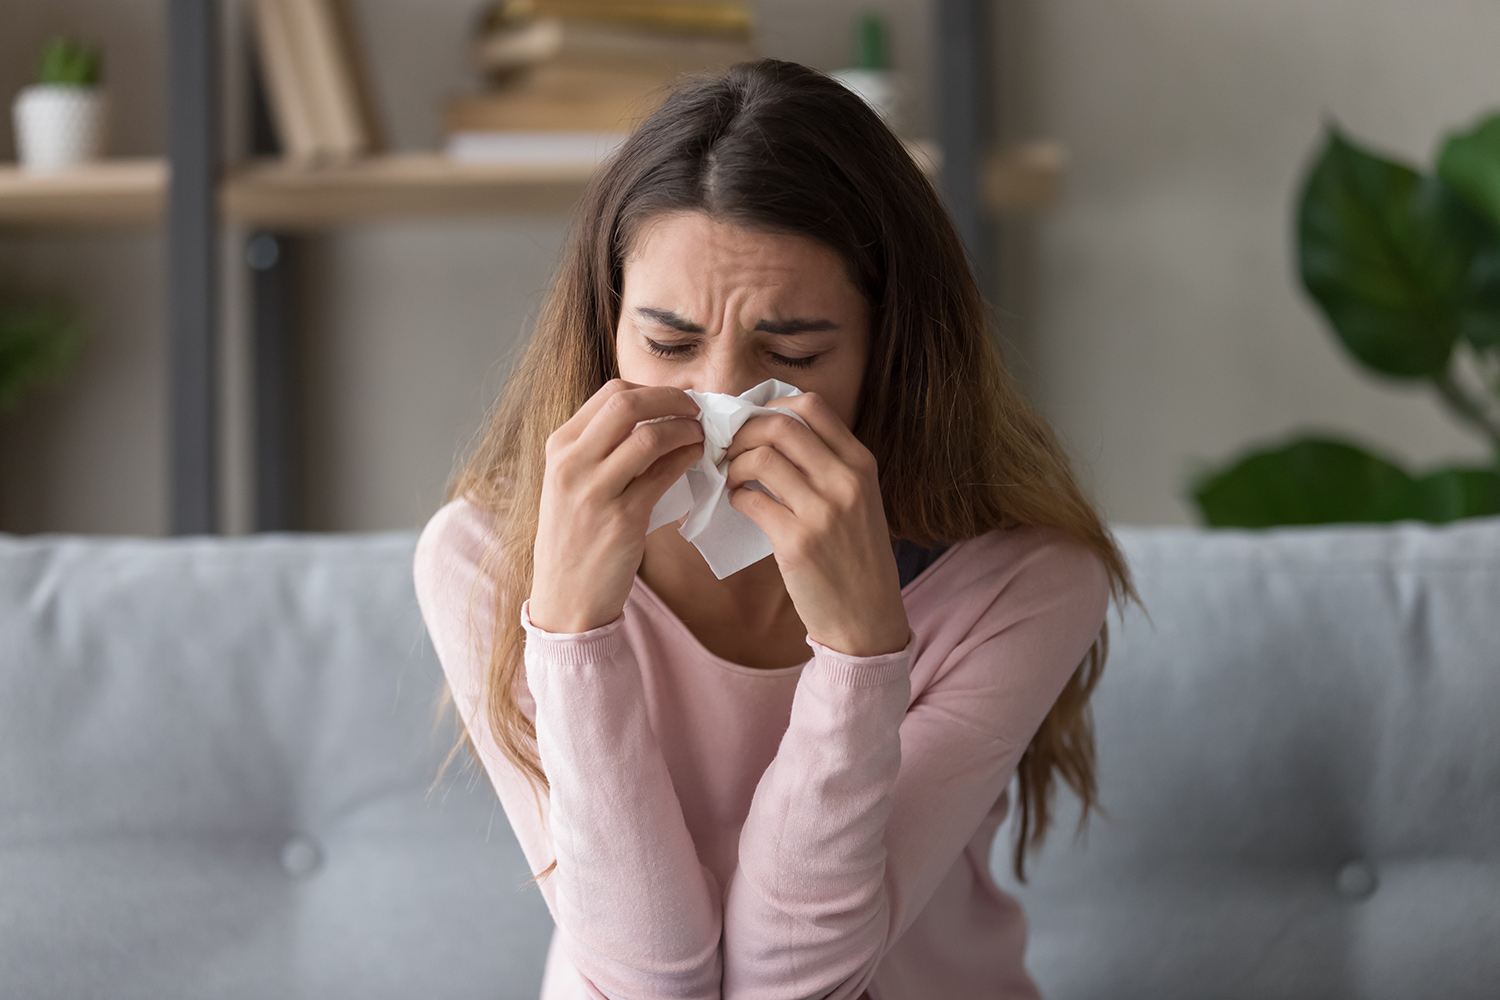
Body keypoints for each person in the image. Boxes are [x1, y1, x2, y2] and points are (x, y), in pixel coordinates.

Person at [415, 58, 1132, 1000]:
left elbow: (796, 981)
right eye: (669, 343)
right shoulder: (486, 559)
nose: (720, 399)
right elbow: (644, 981)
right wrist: (573, 635)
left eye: (790, 353)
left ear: (891, 351)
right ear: (607, 331)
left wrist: (863, 654)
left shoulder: (1024, 582)